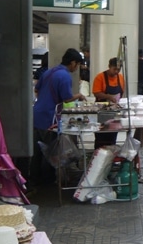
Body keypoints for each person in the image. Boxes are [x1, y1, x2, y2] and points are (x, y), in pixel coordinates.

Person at [30, 48, 86, 186]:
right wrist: (79, 95)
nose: (76, 67)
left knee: (37, 152)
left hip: (36, 114)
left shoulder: (49, 71)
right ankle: (48, 182)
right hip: (49, 118)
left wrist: (45, 100)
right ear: (72, 62)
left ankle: (33, 182)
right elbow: (67, 99)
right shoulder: (64, 76)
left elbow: (37, 90)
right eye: (77, 64)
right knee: (51, 151)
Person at [92, 57, 126, 149]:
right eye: (114, 69)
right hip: (101, 111)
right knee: (101, 138)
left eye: (118, 69)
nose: (116, 72)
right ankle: (99, 155)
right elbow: (96, 92)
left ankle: (111, 156)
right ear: (109, 66)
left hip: (114, 112)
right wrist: (109, 97)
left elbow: (122, 92)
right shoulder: (100, 77)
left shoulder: (121, 78)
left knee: (113, 136)